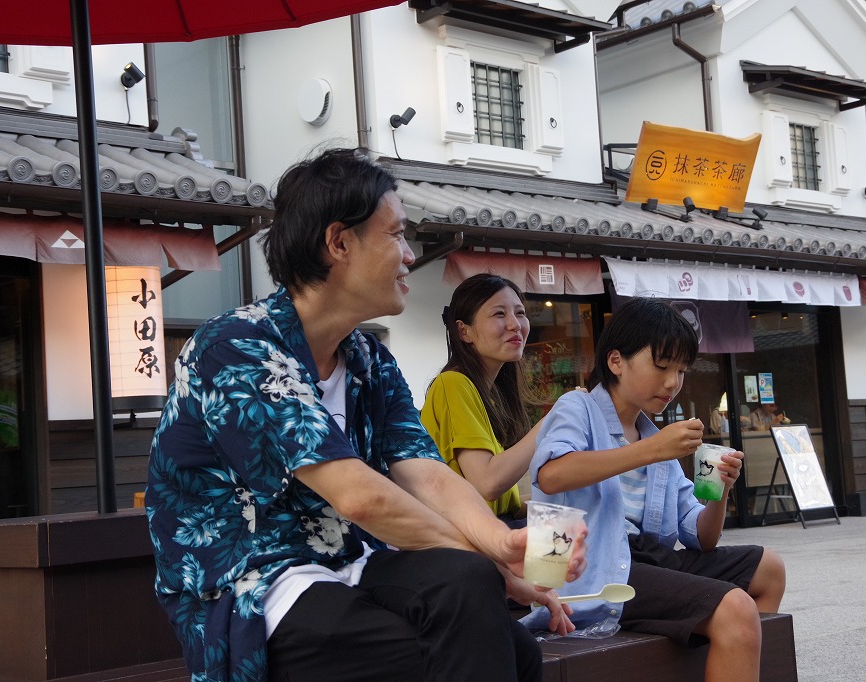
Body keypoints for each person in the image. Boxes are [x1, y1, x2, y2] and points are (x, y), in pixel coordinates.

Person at [145, 148, 586, 682]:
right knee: (447, 645)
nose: (409, 255)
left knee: (505, 632)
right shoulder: (237, 348)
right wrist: (497, 559)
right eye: (396, 234)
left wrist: (499, 545)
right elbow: (360, 496)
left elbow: (428, 475)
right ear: (338, 243)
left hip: (350, 561)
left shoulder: (369, 359)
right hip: (255, 583)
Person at [525, 297, 786, 682]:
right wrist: (652, 450)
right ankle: (731, 637)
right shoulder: (577, 408)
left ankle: (732, 656)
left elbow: (701, 538)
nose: (673, 382)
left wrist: (720, 490)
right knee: (736, 609)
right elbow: (550, 475)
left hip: (649, 562)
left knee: (769, 569)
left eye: (681, 370)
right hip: (593, 570)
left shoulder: (654, 436)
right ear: (616, 361)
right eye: (662, 366)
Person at [421, 273, 542, 526]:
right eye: (499, 314)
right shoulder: (452, 383)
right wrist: (554, 419)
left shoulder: (490, 394)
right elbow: (487, 483)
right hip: (464, 540)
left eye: (520, 313)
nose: (515, 325)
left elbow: (502, 506)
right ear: (464, 331)